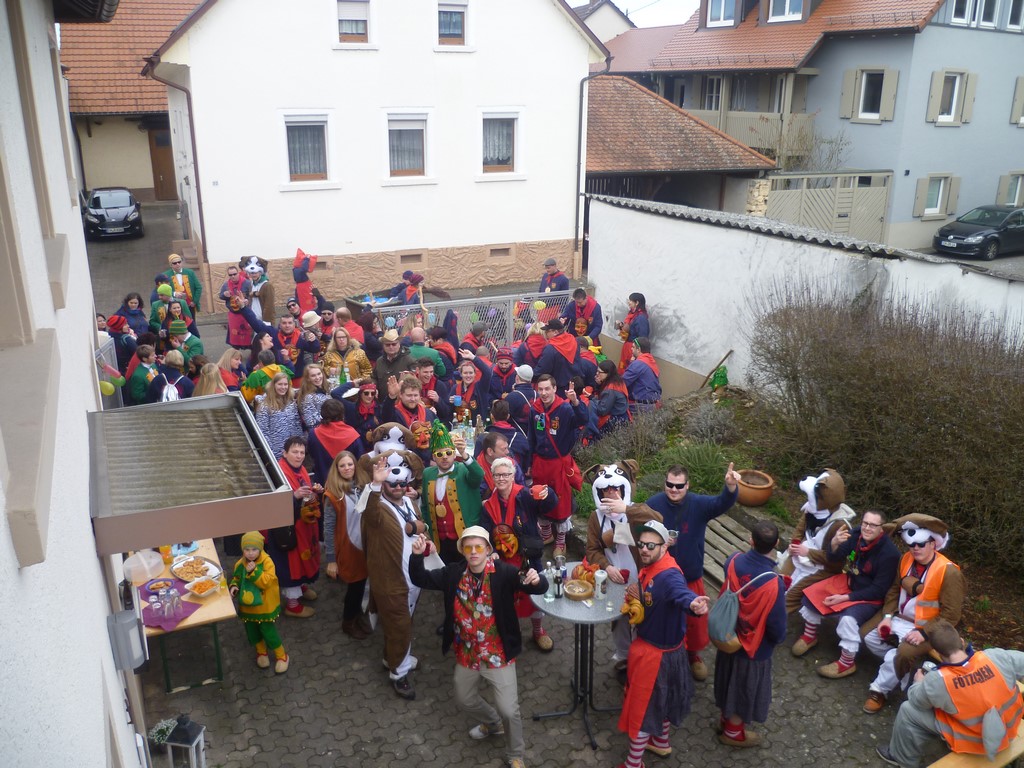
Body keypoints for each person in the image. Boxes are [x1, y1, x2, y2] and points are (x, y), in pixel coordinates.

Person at [410, 526, 548, 768]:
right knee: (464, 699)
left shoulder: (504, 573)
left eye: (478, 547)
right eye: (468, 548)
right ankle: (492, 723)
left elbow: (535, 586)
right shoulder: (453, 574)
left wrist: (538, 580)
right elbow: (420, 579)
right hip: (468, 653)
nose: (473, 552)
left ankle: (515, 755)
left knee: (509, 710)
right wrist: (416, 555)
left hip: (498, 653)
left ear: (487, 550)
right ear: (463, 551)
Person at [617, 521, 710, 768]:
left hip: (656, 657)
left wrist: (693, 604)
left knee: (643, 712)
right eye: (641, 544)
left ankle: (633, 764)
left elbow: (680, 593)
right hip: (667, 652)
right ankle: (660, 742)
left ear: (664, 546)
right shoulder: (653, 565)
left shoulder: (668, 576)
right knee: (664, 701)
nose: (644, 549)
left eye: (650, 545)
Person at [876, 619, 1024, 768]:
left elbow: (917, 701)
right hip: (1010, 727)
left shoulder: (939, 680)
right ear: (962, 641)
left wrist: (918, 682)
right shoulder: (995, 656)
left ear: (938, 654)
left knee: (908, 710)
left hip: (977, 743)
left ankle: (901, 759)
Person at [645, 463, 740, 681]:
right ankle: (661, 655)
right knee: (662, 618)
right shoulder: (653, 505)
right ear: (664, 483)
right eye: (670, 484)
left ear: (687, 485)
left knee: (694, 622)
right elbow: (639, 530)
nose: (674, 489)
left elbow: (722, 503)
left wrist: (730, 487)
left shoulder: (699, 504)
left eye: (679, 486)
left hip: (690, 577)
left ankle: (693, 655)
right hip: (662, 578)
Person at [863, 514, 965, 715]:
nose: (915, 548)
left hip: (926, 628)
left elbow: (952, 615)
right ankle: (899, 666)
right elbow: (894, 589)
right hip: (899, 617)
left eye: (920, 544)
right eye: (911, 544)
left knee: (903, 654)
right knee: (866, 636)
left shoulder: (949, 572)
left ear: (933, 544)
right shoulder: (905, 559)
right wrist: (887, 617)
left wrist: (924, 633)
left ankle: (879, 690)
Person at [799, 509, 900, 679]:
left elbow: (879, 590)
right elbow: (834, 557)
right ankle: (810, 636)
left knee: (848, 620)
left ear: (881, 528)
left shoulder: (890, 554)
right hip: (849, 583)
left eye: (873, 525)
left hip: (870, 598)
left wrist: (845, 598)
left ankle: (847, 663)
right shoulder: (855, 535)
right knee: (813, 594)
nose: (867, 528)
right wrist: (834, 543)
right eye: (865, 523)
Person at [584, 462, 664, 672]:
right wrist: (606, 567)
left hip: (642, 581)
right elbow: (592, 550)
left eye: (615, 489)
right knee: (619, 620)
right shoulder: (596, 517)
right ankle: (624, 658)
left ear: (623, 489)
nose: (611, 493)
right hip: (616, 581)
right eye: (606, 490)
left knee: (642, 621)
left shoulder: (636, 510)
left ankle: (643, 663)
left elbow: (658, 520)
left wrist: (626, 509)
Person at [714, 520, 787, 748]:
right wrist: (778, 639)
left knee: (728, 679)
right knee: (743, 689)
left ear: (751, 540)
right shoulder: (774, 582)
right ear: (776, 543)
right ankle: (733, 733)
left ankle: (724, 719)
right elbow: (776, 625)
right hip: (754, 647)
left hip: (728, 635)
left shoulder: (733, 560)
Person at [362, 453, 427, 700]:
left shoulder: (408, 502)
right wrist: (376, 483)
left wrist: (422, 533)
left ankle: (393, 657)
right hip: (392, 582)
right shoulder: (377, 508)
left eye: (402, 483)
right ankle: (399, 674)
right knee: (399, 626)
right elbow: (369, 512)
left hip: (413, 578)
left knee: (402, 624)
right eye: (392, 484)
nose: (398, 487)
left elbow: (419, 525)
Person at [480, 457, 556, 652]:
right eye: (497, 475)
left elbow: (548, 507)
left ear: (513, 476)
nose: (501, 478)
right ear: (492, 477)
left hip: (528, 557)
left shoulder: (525, 495)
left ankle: (538, 631)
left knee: (535, 594)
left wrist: (548, 494)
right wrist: (491, 551)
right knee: (506, 598)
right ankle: (511, 631)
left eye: (506, 474)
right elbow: (485, 532)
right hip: (502, 561)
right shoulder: (488, 505)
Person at [786, 468, 857, 619]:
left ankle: (771, 624)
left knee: (789, 597)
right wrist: (794, 543)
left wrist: (808, 553)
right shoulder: (812, 509)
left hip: (820, 568)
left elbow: (836, 562)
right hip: (799, 556)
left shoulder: (840, 526)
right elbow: (801, 527)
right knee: (778, 583)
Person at [529, 375, 587, 558]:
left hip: (558, 464)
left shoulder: (565, 408)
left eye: (547, 389)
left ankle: (560, 542)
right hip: (540, 463)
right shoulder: (534, 409)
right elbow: (531, 437)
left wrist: (575, 401)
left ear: (554, 389)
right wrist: (529, 463)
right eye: (540, 389)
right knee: (540, 498)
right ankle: (547, 535)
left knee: (561, 503)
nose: (544, 393)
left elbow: (583, 419)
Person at [267, 436, 322, 618]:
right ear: (285, 453)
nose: (299, 456)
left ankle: (301, 585)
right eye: (294, 452)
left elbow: (305, 493)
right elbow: (272, 504)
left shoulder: (301, 469)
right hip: (287, 532)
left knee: (302, 560)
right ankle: (292, 605)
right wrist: (294, 496)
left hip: (302, 529)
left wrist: (314, 491)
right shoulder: (278, 473)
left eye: (302, 452)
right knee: (291, 566)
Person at [322, 450, 372, 639]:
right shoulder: (333, 495)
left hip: (365, 546)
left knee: (362, 584)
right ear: (337, 469)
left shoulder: (363, 486)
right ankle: (348, 622)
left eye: (350, 464)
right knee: (355, 587)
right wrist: (331, 560)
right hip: (349, 549)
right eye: (342, 465)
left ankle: (358, 615)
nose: (347, 468)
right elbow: (328, 529)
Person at [420, 422, 484, 564]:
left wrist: (465, 455)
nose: (444, 457)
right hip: (440, 540)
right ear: (434, 457)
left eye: (448, 453)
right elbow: (425, 505)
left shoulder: (464, 469)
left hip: (465, 537)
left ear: (454, 454)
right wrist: (427, 529)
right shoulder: (427, 474)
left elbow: (479, 475)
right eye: (439, 454)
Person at [229, 531, 289, 674]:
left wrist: (254, 572)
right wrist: (234, 587)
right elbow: (236, 578)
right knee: (252, 631)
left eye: (254, 549)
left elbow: (267, 582)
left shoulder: (267, 562)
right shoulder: (240, 563)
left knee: (268, 632)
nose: (250, 553)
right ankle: (261, 652)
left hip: (264, 607)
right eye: (247, 549)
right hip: (247, 608)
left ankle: (282, 655)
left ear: (260, 548)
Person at [307, 398, 363, 484]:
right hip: (348, 484)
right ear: (342, 414)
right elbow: (360, 460)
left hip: (323, 483)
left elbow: (312, 455)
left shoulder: (313, 434)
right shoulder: (353, 435)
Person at [254, 372, 303, 459]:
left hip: (294, 450)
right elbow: (263, 431)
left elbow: (297, 424)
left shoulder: (291, 402)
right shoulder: (264, 406)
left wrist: (300, 443)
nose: (283, 387)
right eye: (280, 384)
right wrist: (271, 451)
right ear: (273, 385)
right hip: (276, 452)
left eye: (285, 384)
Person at [534, 319, 579, 394]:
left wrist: (529, 377)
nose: (545, 333)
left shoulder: (551, 348)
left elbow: (543, 369)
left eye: (547, 331)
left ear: (555, 332)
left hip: (558, 388)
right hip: (574, 384)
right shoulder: (573, 340)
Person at [451, 349, 493, 424]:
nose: (468, 376)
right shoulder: (455, 388)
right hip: (458, 426)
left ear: (475, 374)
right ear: (461, 374)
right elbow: (448, 410)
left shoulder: (480, 387)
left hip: (476, 427)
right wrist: (450, 402)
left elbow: (487, 372)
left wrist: (473, 358)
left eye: (471, 373)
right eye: (465, 373)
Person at [623, 337, 661, 416]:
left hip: (641, 406)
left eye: (633, 347)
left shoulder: (638, 364)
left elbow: (623, 382)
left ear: (639, 349)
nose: (631, 349)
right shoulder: (650, 361)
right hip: (652, 403)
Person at [219, 263, 253, 349]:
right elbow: (220, 296)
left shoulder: (247, 283)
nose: (233, 276)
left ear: (238, 273)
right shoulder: (226, 285)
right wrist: (224, 295)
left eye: (234, 274)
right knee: (234, 337)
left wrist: (247, 301)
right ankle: (236, 352)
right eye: (230, 275)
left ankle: (250, 351)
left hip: (245, 314)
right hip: (233, 314)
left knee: (248, 335)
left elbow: (252, 296)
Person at [615, 293, 650, 373]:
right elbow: (632, 329)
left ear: (637, 303)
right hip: (628, 347)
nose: (629, 302)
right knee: (623, 368)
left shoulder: (641, 318)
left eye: (630, 300)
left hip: (633, 349)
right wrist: (622, 326)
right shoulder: (633, 315)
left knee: (629, 370)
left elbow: (643, 338)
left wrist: (635, 355)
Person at [594, 360, 630, 435]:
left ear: (608, 374)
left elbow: (602, 410)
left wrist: (592, 399)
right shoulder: (618, 380)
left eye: (600, 372)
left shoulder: (610, 390)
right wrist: (599, 384)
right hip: (623, 415)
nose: (597, 374)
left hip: (615, 421)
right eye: (597, 371)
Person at [504, 364, 536, 438]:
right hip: (535, 437)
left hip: (516, 437)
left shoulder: (511, 397)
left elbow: (503, 419)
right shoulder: (537, 395)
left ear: (517, 378)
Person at [296, 363, 331, 429]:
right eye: (313, 376)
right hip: (320, 430)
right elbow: (309, 421)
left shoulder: (326, 388)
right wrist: (330, 415)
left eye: (319, 374)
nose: (317, 377)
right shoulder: (308, 397)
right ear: (308, 378)